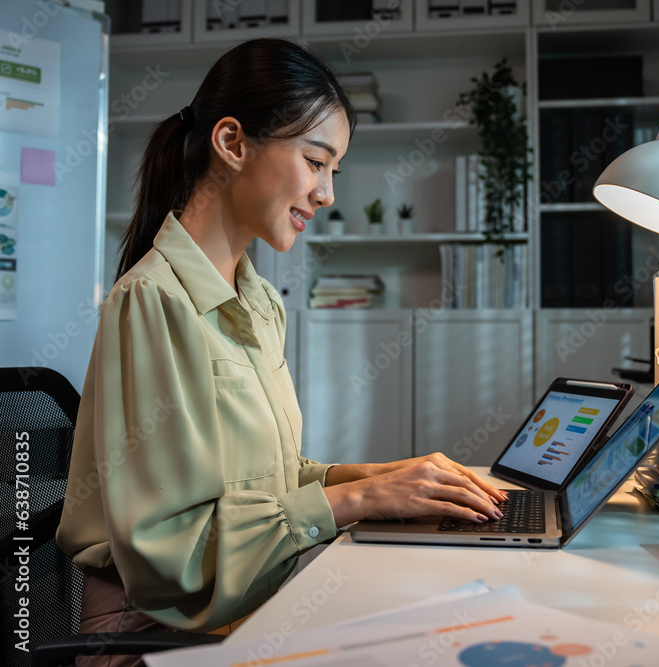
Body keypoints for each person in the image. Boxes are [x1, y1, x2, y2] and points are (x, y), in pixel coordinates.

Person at [55, 38, 505, 664]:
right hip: (153, 636)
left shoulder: (259, 301)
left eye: (334, 172)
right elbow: (172, 558)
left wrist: (391, 478)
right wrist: (360, 499)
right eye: (316, 161)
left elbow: (267, 484)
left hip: (254, 604)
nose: (326, 193)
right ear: (232, 142)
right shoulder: (152, 302)